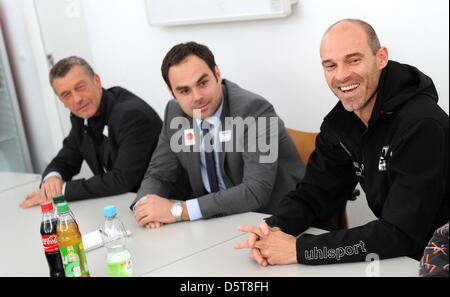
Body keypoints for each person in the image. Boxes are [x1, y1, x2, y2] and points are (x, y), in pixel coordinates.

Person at [234, 19, 449, 266]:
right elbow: (315, 193)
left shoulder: (421, 125)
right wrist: (271, 229)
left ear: (381, 57)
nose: (341, 75)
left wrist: (301, 250)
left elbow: (402, 233)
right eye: (330, 65)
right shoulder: (342, 122)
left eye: (353, 60)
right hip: (403, 258)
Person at [131, 42, 307, 229]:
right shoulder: (175, 112)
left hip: (277, 221)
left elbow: (256, 192)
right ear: (172, 93)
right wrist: (145, 209)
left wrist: (177, 210)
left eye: (203, 83)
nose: (197, 96)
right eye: (184, 91)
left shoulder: (254, 110)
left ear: (217, 74)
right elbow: (159, 174)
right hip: (217, 221)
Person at [20, 56, 162, 208]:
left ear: (97, 81)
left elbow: (122, 180)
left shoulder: (131, 114)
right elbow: (66, 159)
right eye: (66, 95)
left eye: (80, 87)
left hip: (158, 205)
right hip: (120, 205)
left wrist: (62, 191)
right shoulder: (80, 116)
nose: (77, 99)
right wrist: (52, 180)